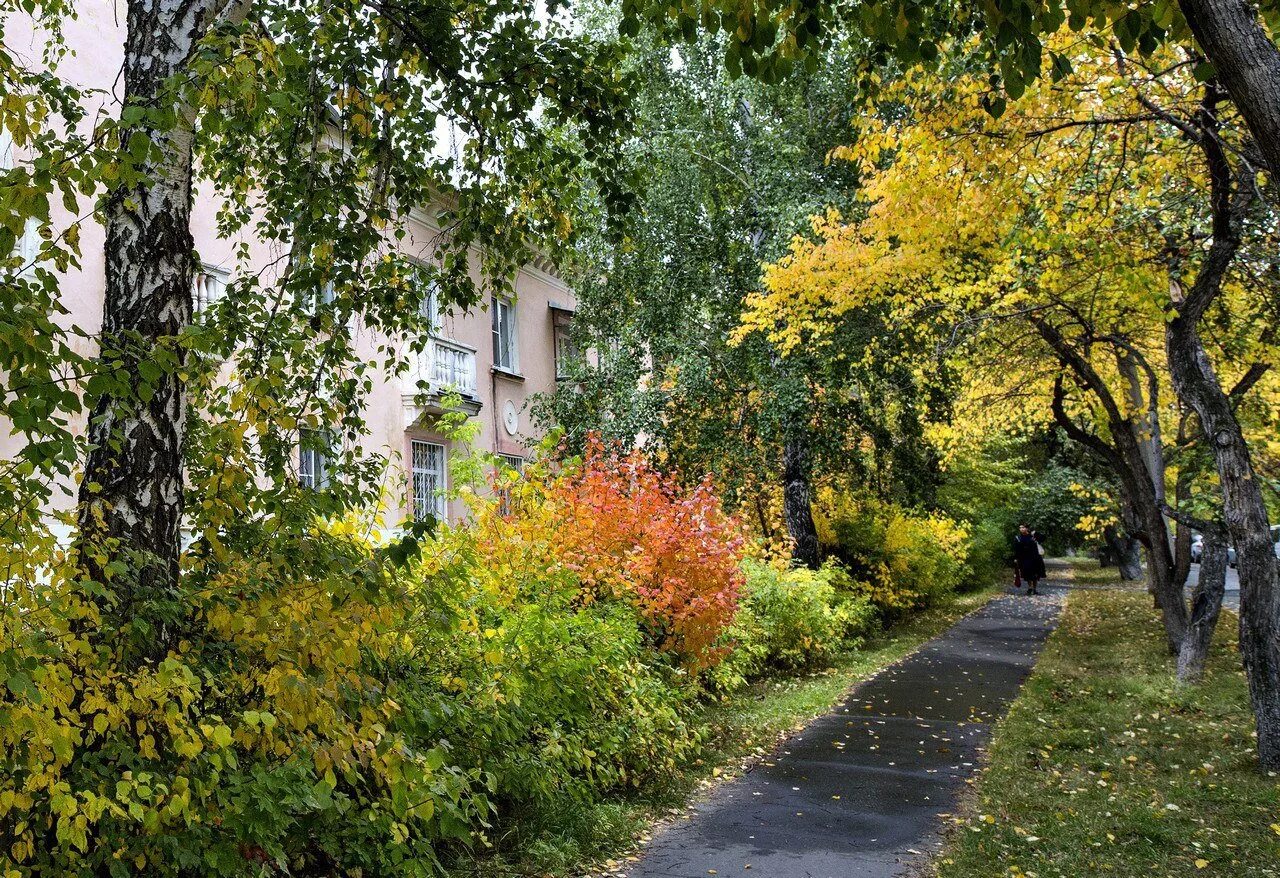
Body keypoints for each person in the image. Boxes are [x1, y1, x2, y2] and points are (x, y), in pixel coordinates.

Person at [1013, 524, 1047, 594]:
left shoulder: (1033, 536)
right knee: (1027, 573)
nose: (1021, 529)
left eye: (1023, 527)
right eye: (1020, 528)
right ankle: (1030, 588)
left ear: (1027, 528)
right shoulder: (1018, 537)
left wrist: (1035, 533)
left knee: (1035, 574)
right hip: (1024, 558)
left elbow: (1043, 538)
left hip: (1035, 558)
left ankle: (1034, 589)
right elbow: (1016, 549)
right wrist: (1016, 558)